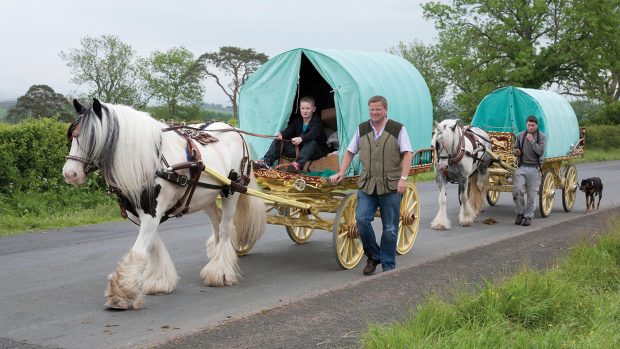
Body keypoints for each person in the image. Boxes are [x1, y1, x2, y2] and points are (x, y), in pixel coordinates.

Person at [330, 95, 413, 274]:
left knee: (390, 228)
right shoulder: (362, 129)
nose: (374, 113)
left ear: (385, 109)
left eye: (378, 109)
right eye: (372, 110)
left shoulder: (397, 129)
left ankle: (388, 266)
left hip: (391, 185)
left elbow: (407, 153)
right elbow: (350, 151)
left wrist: (403, 179)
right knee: (361, 220)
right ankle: (373, 256)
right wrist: (342, 172)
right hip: (367, 185)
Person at [252, 96, 328, 172]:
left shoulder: (318, 123)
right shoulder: (298, 120)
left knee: (311, 142)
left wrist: (301, 138)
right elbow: (289, 130)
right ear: (300, 109)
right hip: (300, 149)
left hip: (316, 151)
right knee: (279, 140)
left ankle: (297, 165)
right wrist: (282, 134)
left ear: (313, 109)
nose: (305, 111)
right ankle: (266, 162)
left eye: (308, 108)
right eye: (303, 108)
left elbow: (312, 134)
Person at [513, 115, 546, 226]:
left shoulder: (541, 137)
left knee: (531, 195)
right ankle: (520, 213)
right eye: (529, 125)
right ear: (526, 125)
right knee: (518, 190)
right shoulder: (520, 135)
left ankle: (528, 216)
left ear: (536, 125)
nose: (531, 127)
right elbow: (515, 148)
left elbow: (540, 151)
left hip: (534, 168)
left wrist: (532, 141)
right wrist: (516, 151)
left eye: (533, 125)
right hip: (521, 166)